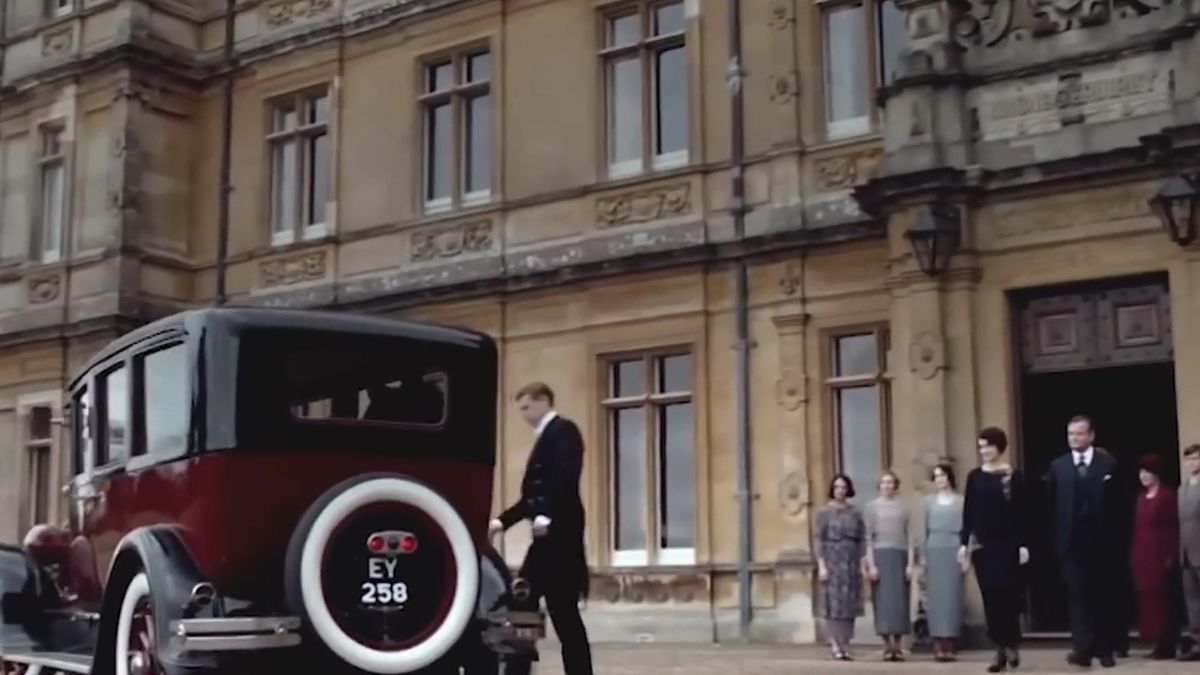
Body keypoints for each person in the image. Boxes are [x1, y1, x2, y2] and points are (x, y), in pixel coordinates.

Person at [488, 382, 593, 675]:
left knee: (563, 616)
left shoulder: (563, 431)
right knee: (524, 608)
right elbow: (530, 497)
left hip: (560, 540)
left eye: (526, 407)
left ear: (543, 401)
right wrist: (501, 522)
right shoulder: (546, 436)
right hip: (545, 544)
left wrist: (547, 514)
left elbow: (567, 475)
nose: (523, 414)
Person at [1045, 414, 1121, 668]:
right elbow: (1051, 506)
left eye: (1079, 433)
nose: (1074, 438)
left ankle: (1105, 649)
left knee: (1103, 596)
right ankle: (1083, 649)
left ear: (1091, 435)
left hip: (1102, 542)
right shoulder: (1058, 466)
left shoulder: (1107, 463)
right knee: (1077, 598)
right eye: (1070, 434)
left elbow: (1121, 504)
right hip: (1070, 544)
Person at [960, 426, 1030, 673]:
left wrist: (1023, 544)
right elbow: (968, 512)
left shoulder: (1013, 475)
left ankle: (1012, 643)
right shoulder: (974, 477)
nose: (984, 451)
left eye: (988, 446)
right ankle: (1000, 649)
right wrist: (963, 544)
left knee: (1008, 596)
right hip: (983, 546)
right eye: (980, 447)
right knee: (990, 597)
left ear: (999, 446)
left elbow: (1023, 513)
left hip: (1008, 544)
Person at [1129, 454, 1181, 659]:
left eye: (1147, 473)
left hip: (1161, 552)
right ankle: (1156, 641)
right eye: (1141, 473)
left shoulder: (1167, 496)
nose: (1143, 476)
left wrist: (1170, 555)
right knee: (1148, 599)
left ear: (1156, 474)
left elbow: (1173, 527)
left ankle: (1168, 643)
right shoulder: (1140, 497)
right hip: (1143, 553)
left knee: (1164, 599)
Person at [815, 474, 868, 661]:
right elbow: (819, 539)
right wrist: (821, 565)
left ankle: (845, 643)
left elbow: (862, 538)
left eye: (843, 487)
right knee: (833, 604)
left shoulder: (855, 512)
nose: (840, 490)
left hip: (851, 559)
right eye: (837, 487)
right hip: (832, 558)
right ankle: (835, 644)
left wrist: (863, 562)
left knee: (849, 604)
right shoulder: (824, 512)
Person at [864, 471, 913, 661]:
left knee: (900, 602)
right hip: (880, 555)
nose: (887, 486)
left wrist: (910, 563)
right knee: (883, 601)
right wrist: (871, 564)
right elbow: (868, 537)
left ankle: (898, 644)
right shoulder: (871, 508)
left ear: (896, 486)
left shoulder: (903, 508)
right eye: (884, 483)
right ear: (879, 486)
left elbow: (909, 536)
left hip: (899, 555)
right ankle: (886, 644)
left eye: (891, 482)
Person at [921, 462, 964, 662]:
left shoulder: (961, 501)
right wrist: (922, 556)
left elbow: (968, 530)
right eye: (936, 476)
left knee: (952, 596)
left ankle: (951, 642)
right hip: (934, 547)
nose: (940, 480)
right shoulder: (928, 502)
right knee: (936, 597)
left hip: (954, 547)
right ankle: (938, 642)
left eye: (942, 475)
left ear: (949, 477)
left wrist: (967, 554)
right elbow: (922, 530)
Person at [1180, 444, 1200, 662]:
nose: (1193, 462)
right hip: (1185, 553)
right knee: (1193, 601)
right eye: (1189, 459)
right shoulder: (1182, 488)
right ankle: (1197, 644)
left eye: (1196, 458)